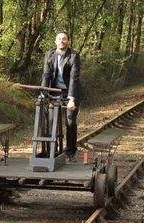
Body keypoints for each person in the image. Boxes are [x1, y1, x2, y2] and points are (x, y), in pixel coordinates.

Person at [41, 31, 82, 162]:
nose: (61, 41)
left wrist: (71, 99)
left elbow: (74, 78)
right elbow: (46, 75)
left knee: (70, 122)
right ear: (55, 41)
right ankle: (53, 150)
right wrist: (43, 94)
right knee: (51, 121)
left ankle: (70, 152)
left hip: (70, 92)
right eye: (59, 39)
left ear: (68, 41)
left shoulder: (74, 56)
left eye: (64, 39)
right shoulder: (49, 54)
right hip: (54, 91)